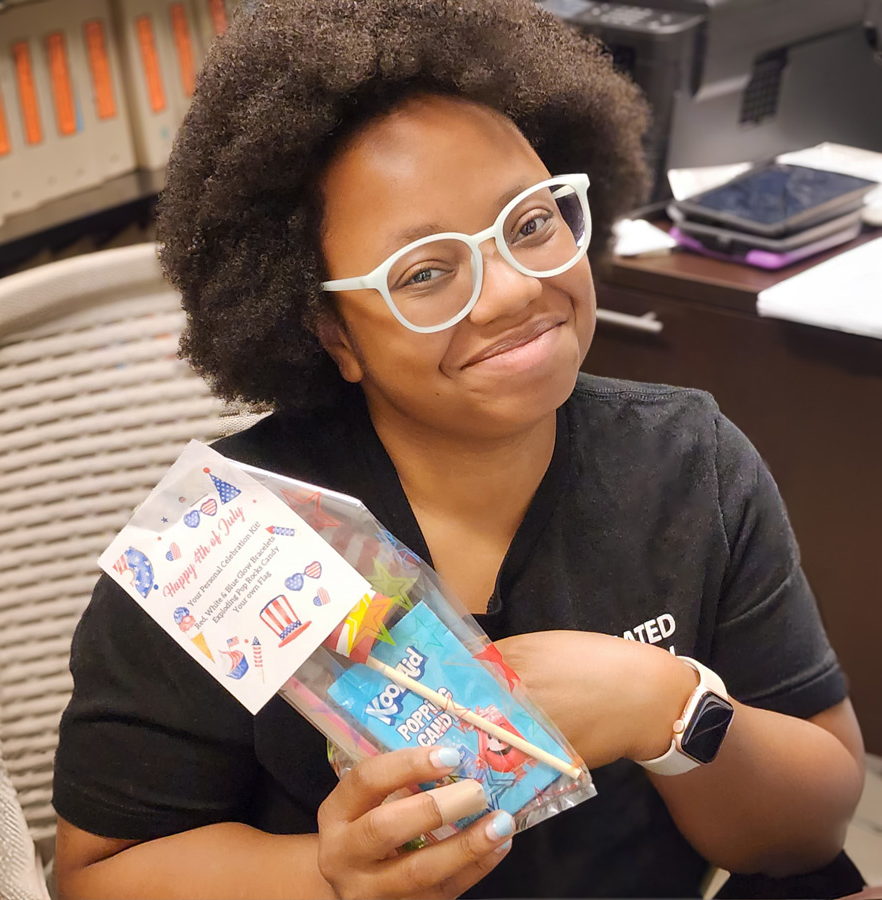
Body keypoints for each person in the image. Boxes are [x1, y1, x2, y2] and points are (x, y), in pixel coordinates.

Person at [52, 1, 867, 898]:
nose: (513, 291)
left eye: (528, 222)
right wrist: (328, 879)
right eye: (427, 273)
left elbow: (811, 826)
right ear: (331, 332)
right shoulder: (228, 543)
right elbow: (100, 878)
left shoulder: (689, 463)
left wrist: (667, 705)